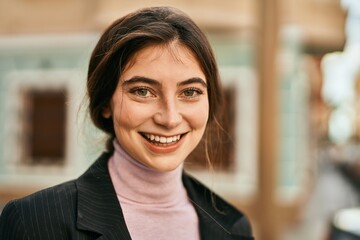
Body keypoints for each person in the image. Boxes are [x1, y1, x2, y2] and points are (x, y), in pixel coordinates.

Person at [0, 6, 254, 240]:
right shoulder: (35, 222)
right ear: (106, 102)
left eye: (189, 92)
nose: (169, 118)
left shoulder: (233, 227)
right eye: (143, 91)